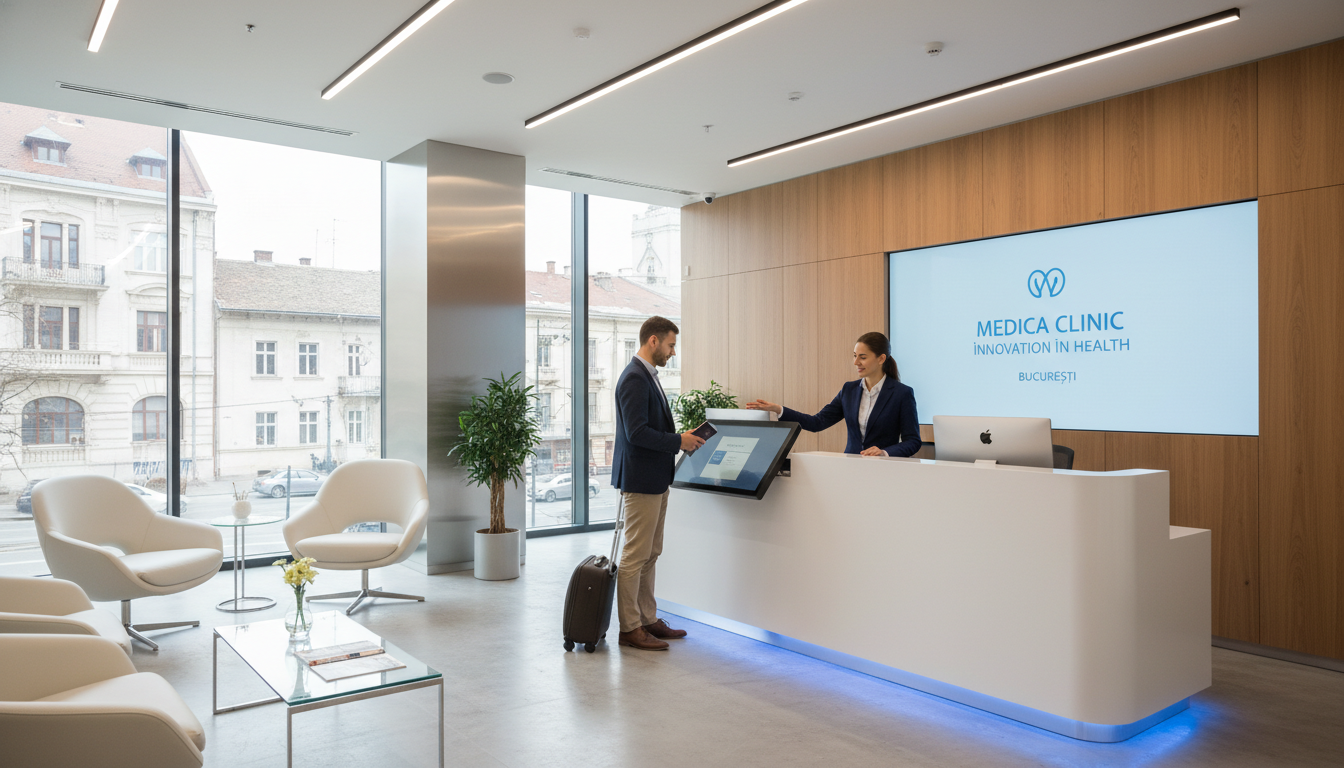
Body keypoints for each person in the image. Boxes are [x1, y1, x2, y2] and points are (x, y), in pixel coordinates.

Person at [611, 316, 706, 651]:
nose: (672, 352)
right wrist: (677, 441)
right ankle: (629, 628)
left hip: (655, 478)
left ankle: (647, 618)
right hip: (641, 480)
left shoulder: (647, 376)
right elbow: (636, 433)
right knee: (635, 555)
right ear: (653, 341)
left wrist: (680, 438)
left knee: (651, 553)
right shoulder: (634, 378)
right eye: (670, 345)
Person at [745, 331, 921, 457]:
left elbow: (912, 441)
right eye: (854, 356)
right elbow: (817, 422)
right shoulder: (849, 390)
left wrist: (884, 452)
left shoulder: (902, 393)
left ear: (881, 358)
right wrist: (779, 410)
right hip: (850, 470)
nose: (856, 362)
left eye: (863, 357)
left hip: (886, 472)